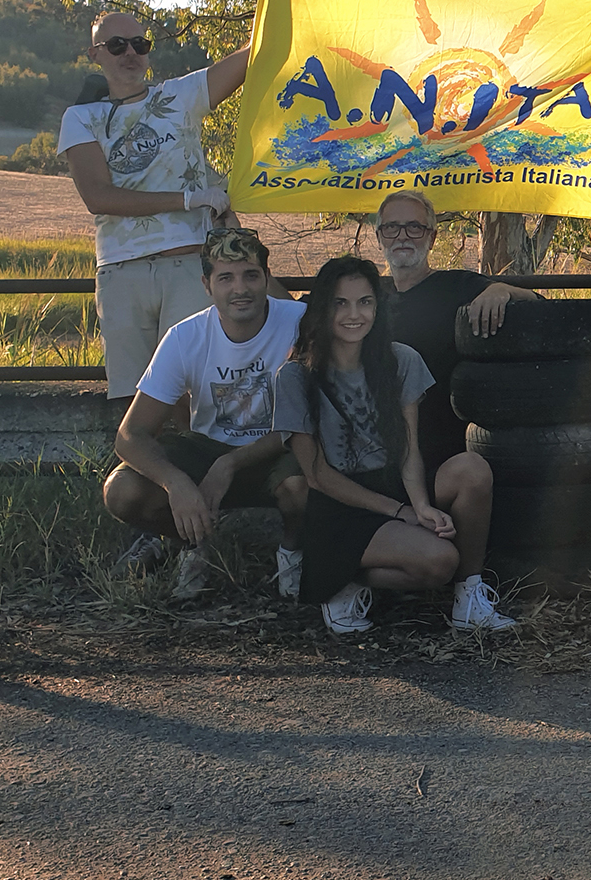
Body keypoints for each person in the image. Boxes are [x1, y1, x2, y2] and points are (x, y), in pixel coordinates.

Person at [273, 256, 514, 635]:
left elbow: (408, 449)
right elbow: (317, 476)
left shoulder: (401, 359)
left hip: (395, 483)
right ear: (322, 308)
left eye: (365, 302)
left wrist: (419, 505)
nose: (355, 314)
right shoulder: (295, 376)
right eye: (341, 303)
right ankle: (341, 580)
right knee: (438, 562)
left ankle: (469, 599)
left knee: (472, 470)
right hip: (340, 504)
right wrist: (401, 512)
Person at [104, 229, 307, 600]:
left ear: (266, 278)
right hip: (207, 448)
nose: (240, 289)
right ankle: (193, 546)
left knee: (303, 484)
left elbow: (308, 420)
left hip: (279, 449)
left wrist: (228, 465)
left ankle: (293, 555)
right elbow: (129, 435)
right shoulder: (185, 337)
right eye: (225, 278)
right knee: (123, 490)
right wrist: (175, 483)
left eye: (251, 275)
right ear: (207, 285)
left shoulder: (300, 324)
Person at [60, 11, 251, 404]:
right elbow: (98, 196)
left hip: (186, 267)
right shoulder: (81, 118)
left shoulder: (179, 96)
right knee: (131, 399)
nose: (130, 53)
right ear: (95, 54)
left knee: (189, 396)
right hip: (120, 270)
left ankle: (187, 466)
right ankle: (136, 467)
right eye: (116, 45)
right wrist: (187, 200)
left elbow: (254, 54)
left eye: (139, 44)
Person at [372, 190, 539, 478]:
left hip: (444, 447)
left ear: (432, 238)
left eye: (415, 227)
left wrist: (502, 290)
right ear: (379, 237)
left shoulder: (458, 285)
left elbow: (541, 306)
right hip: (377, 446)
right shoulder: (366, 301)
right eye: (391, 227)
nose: (403, 236)